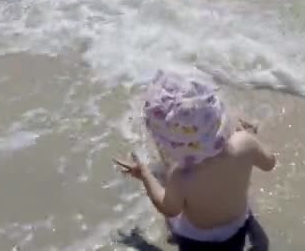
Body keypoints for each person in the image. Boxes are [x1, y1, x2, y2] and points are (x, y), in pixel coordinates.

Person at [114, 70, 276, 250]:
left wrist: (144, 174)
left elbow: (169, 209)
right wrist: (250, 135)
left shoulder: (181, 175)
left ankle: (173, 234)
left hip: (196, 239)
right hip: (236, 225)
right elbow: (270, 163)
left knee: (168, 191)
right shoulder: (245, 143)